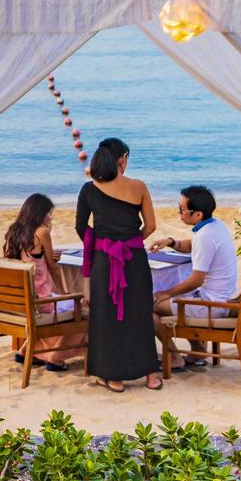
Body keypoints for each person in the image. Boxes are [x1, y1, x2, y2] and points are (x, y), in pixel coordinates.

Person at [76, 137, 163, 392]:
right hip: (134, 259)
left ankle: (114, 378)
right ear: (123, 159)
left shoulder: (89, 190)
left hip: (104, 261)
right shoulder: (139, 187)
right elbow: (151, 226)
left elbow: (81, 227)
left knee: (106, 317)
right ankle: (151, 376)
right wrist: (132, 242)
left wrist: (102, 245)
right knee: (140, 314)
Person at [150, 184, 239, 372]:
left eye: (182, 209)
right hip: (223, 299)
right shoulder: (215, 226)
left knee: (148, 305)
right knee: (183, 296)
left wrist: (165, 293)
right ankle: (197, 352)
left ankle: (174, 357)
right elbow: (192, 244)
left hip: (213, 306)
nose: (179, 213)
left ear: (197, 214)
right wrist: (171, 242)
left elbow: (196, 279)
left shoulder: (205, 236)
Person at [1, 193, 85, 371]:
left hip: (20, 302)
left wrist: (47, 257)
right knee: (84, 308)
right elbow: (54, 269)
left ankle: (26, 351)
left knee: (68, 306)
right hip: (40, 303)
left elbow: (30, 259)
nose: (50, 217)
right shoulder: (41, 232)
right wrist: (64, 292)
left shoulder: (13, 233)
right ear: (39, 214)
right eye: (49, 213)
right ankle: (56, 357)